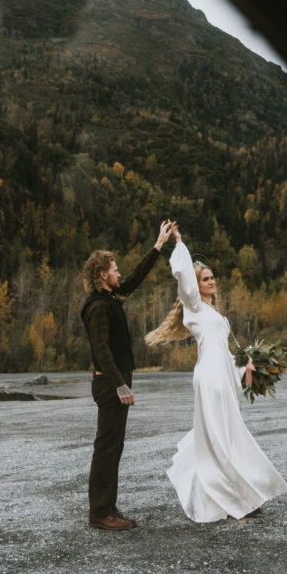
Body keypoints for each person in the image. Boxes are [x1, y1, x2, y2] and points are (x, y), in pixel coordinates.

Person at [146, 227, 287, 523]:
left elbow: (225, 352)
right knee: (219, 438)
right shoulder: (194, 306)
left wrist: (245, 369)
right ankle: (231, 498)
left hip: (222, 377)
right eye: (205, 279)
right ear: (196, 286)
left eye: (212, 278)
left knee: (229, 437)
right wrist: (180, 244)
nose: (211, 281)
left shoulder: (216, 314)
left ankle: (237, 495)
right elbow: (184, 279)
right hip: (208, 380)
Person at [82, 220, 175, 531]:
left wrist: (158, 245)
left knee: (115, 446)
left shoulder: (113, 297)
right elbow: (101, 350)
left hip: (117, 382)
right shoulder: (97, 306)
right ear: (101, 275)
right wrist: (120, 384)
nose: (119, 273)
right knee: (106, 447)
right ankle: (99, 514)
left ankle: (109, 507)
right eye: (114, 269)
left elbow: (134, 279)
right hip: (109, 384)